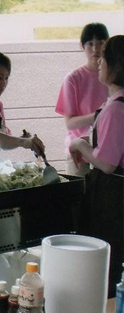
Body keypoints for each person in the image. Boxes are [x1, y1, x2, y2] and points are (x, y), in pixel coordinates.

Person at [69, 35, 124, 298]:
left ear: (115, 67)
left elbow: (108, 163)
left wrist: (81, 146)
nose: (99, 62)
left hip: (113, 196)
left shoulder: (116, 108)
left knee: (107, 264)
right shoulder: (113, 103)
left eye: (104, 58)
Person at [55, 23, 109, 176]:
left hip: (107, 151)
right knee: (79, 196)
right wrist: (99, 115)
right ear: (82, 46)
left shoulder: (112, 77)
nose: (95, 49)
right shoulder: (73, 78)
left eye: (100, 43)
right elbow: (70, 123)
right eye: (90, 44)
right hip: (79, 153)